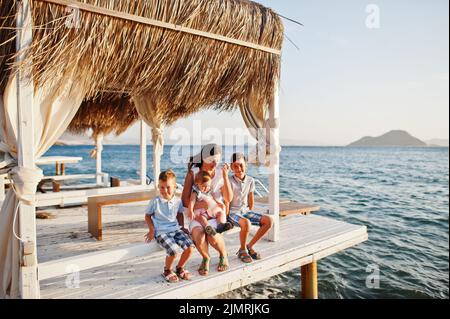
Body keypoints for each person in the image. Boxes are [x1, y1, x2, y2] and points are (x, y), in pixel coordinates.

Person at [182, 144, 233, 276]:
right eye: (211, 160)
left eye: (217, 160)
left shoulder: (221, 173)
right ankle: (206, 258)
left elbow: (228, 198)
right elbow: (185, 200)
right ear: (204, 159)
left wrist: (226, 177)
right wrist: (201, 206)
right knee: (199, 237)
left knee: (212, 237)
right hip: (198, 214)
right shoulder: (193, 173)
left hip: (215, 213)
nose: (214, 164)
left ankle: (223, 255)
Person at [145, 170, 195, 283]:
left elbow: (179, 214)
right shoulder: (155, 202)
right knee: (173, 250)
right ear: (158, 186)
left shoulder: (177, 201)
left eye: (168, 187)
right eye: (161, 187)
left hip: (176, 229)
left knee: (190, 247)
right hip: (161, 232)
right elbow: (147, 216)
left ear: (174, 187)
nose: (164, 190)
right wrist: (151, 230)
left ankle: (180, 267)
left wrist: (182, 227)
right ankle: (167, 270)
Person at [228, 153, 274, 263]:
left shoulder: (250, 180)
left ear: (246, 165)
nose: (239, 169)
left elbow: (251, 198)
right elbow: (226, 200)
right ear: (231, 167)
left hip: (245, 211)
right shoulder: (228, 180)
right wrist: (225, 217)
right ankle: (242, 250)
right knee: (246, 223)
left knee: (269, 220)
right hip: (233, 213)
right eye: (235, 166)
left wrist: (251, 211)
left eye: (241, 165)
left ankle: (249, 246)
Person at [187, 171, 233, 236]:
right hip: (201, 213)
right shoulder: (196, 192)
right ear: (197, 184)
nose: (206, 188)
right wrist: (190, 211)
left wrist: (218, 203)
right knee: (202, 218)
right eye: (203, 186)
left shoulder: (208, 191)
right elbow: (191, 202)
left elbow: (212, 199)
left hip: (210, 211)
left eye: (208, 186)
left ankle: (220, 225)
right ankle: (208, 227)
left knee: (220, 213)